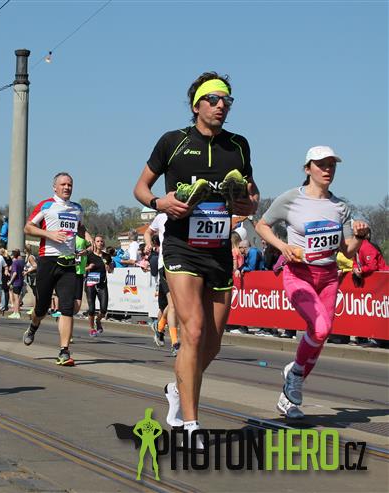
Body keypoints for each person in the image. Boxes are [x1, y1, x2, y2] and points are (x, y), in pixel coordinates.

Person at [133, 72, 259, 445]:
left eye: (227, 101)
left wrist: (247, 203)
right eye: (214, 100)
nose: (221, 106)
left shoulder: (238, 146)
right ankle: (190, 424)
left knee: (213, 343)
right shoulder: (173, 142)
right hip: (181, 247)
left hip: (218, 250)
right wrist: (160, 202)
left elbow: (252, 195)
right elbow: (140, 187)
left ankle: (178, 387)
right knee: (194, 331)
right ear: (196, 105)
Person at [255, 145, 369, 419]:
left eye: (332, 165)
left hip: (328, 276)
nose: (327, 169)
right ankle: (295, 373)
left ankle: (288, 399)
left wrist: (360, 236)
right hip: (299, 274)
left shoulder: (340, 207)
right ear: (308, 169)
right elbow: (261, 225)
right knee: (320, 328)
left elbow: (346, 251)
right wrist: (282, 246)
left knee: (321, 334)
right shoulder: (290, 198)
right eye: (321, 164)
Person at [22, 172, 92, 366]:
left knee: (67, 308)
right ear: (55, 187)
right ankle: (33, 326)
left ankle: (64, 351)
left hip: (68, 263)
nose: (67, 187)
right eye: (63, 184)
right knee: (42, 308)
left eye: (70, 184)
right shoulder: (46, 206)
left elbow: (80, 227)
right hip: (48, 261)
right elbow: (28, 228)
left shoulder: (77, 208)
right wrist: (49, 234)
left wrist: (88, 237)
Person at [144, 213, 180, 355]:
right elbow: (148, 232)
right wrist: (148, 243)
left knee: (176, 304)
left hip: (184, 265)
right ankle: (175, 343)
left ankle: (159, 327)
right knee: (173, 304)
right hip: (165, 264)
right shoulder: (161, 217)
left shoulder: (189, 213)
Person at [85, 235, 111, 336]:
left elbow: (111, 270)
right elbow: (81, 268)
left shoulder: (106, 256)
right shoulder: (89, 256)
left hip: (102, 284)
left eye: (101, 241)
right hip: (91, 282)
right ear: (94, 243)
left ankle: (98, 320)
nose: (100, 243)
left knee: (103, 309)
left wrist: (109, 268)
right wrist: (88, 267)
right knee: (91, 309)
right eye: (98, 241)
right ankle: (92, 328)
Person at [8, 249, 25, 319]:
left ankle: (16, 313)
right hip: (20, 281)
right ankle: (15, 312)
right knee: (17, 297)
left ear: (14, 255)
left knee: (16, 298)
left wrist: (10, 281)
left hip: (16, 282)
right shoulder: (22, 261)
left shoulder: (15, 262)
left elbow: (15, 273)